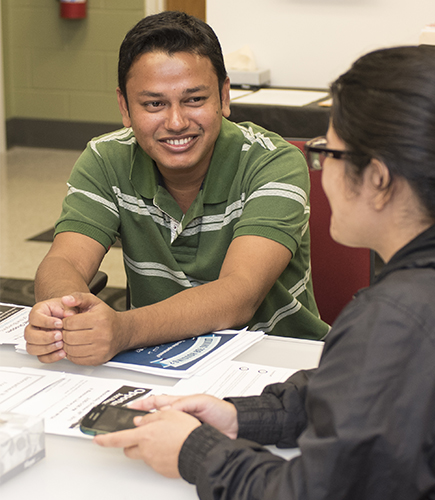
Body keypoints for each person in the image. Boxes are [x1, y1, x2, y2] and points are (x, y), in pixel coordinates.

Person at [94, 45, 435, 499]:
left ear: (377, 179)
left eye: (328, 154)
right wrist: (244, 415)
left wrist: (193, 451)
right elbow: (378, 391)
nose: (320, 172)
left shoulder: (403, 317)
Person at [24, 11, 329, 366]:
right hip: (158, 358)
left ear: (224, 96)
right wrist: (65, 314)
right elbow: (64, 259)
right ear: (125, 107)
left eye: (194, 100)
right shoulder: (106, 158)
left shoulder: (274, 162)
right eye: (154, 104)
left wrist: (123, 329)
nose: (176, 122)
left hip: (275, 366)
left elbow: (239, 294)